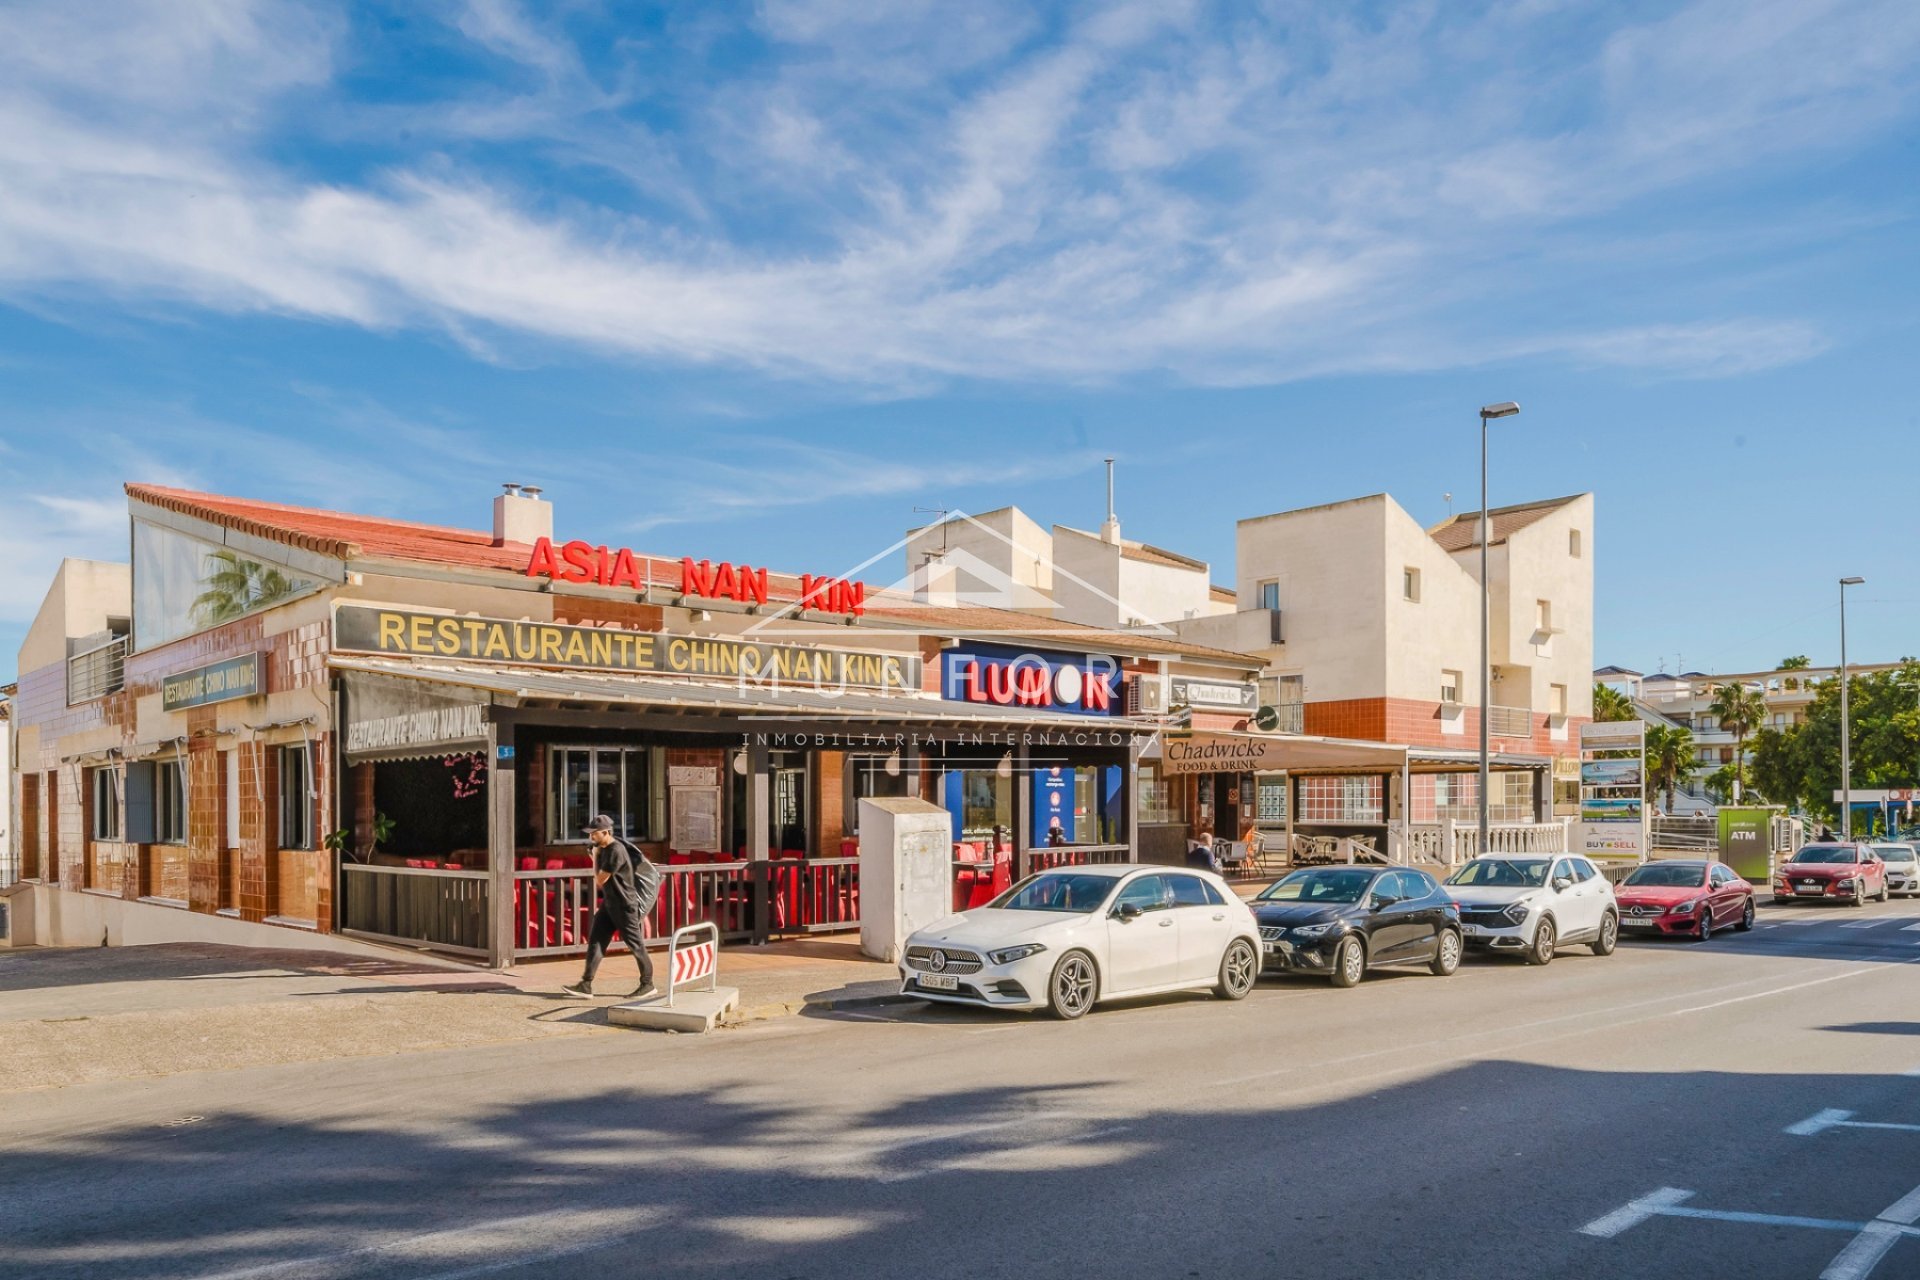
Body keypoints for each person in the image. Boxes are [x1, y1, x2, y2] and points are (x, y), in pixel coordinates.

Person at [562, 814, 662, 1000]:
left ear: (605, 832)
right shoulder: (605, 848)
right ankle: (586, 984)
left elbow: (600, 879)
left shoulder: (616, 850)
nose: (591, 837)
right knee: (596, 941)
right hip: (610, 904)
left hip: (625, 906)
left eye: (594, 833)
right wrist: (598, 854)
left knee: (635, 945)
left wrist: (594, 858)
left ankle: (647, 984)